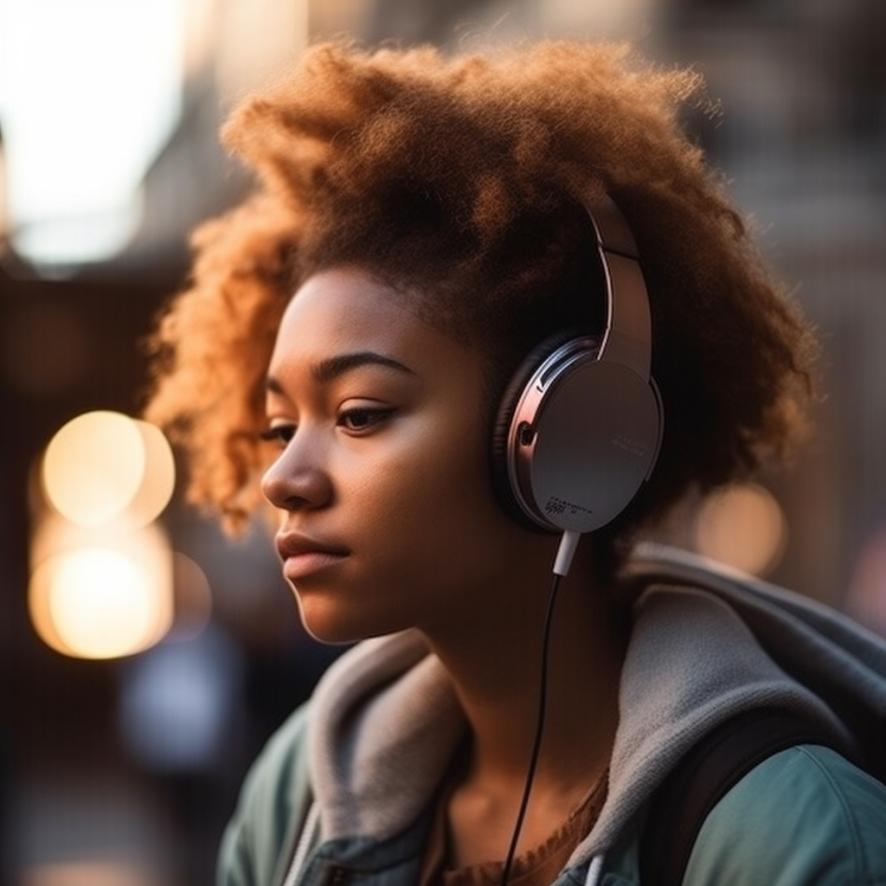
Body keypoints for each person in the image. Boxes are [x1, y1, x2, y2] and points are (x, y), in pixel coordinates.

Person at [141, 39, 886, 886]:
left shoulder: (792, 840)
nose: (283, 478)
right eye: (280, 427)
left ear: (569, 431)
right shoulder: (296, 798)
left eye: (359, 415)